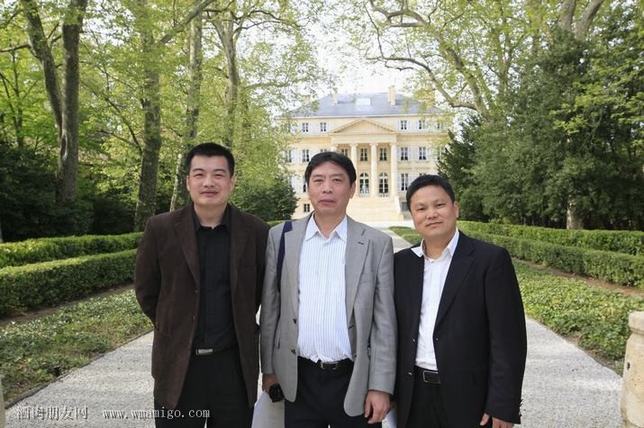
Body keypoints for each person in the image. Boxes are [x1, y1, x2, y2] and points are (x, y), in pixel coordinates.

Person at [135, 142, 269, 427]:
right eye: (199, 174)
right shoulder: (160, 229)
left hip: (233, 368)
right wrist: (175, 326)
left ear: (231, 182)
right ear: (188, 182)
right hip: (178, 367)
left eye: (218, 174)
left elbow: (261, 292)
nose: (209, 182)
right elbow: (147, 291)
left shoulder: (256, 231)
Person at [260, 151, 396, 428]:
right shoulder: (281, 237)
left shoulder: (376, 243)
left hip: (355, 379)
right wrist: (269, 369)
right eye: (318, 180)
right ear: (308, 187)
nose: (327, 188)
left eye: (337, 180)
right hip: (298, 379)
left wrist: (381, 386)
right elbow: (271, 309)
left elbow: (384, 322)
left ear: (352, 188)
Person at [394, 175, 527, 428]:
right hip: (413, 396)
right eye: (421, 208)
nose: (431, 214)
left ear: (455, 208)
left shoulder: (490, 260)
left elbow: (508, 340)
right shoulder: (401, 263)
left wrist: (503, 404)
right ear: (413, 216)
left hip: (470, 398)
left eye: (439, 205)